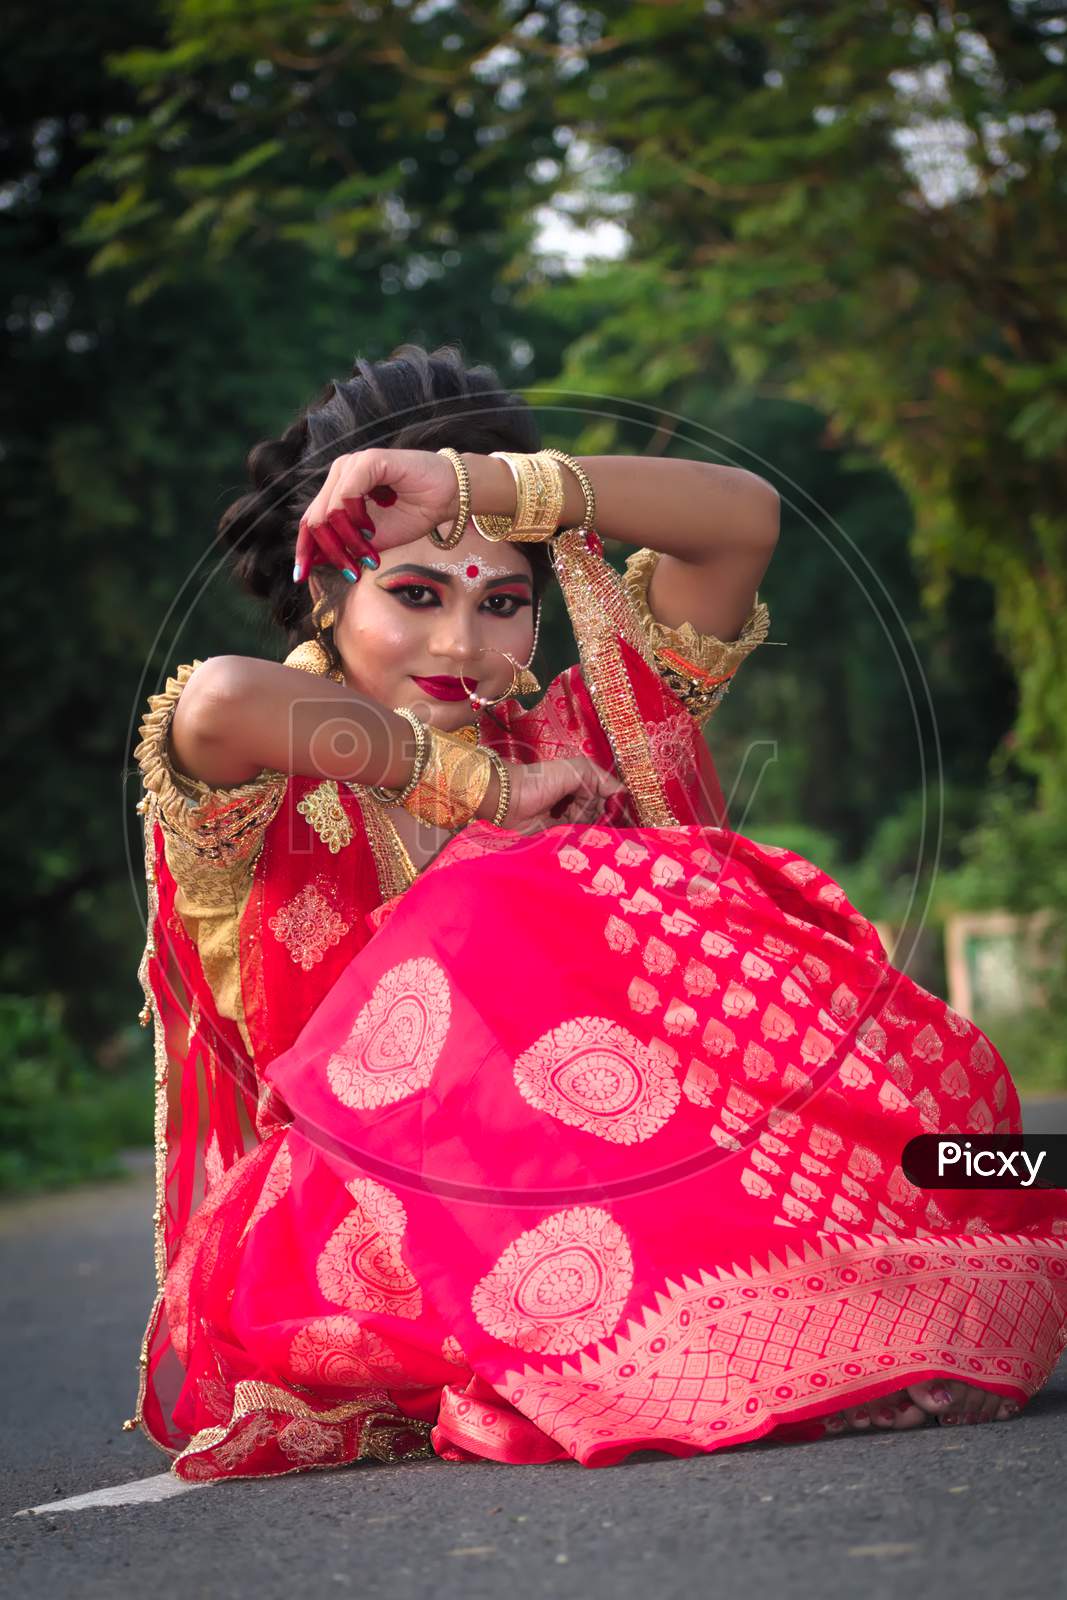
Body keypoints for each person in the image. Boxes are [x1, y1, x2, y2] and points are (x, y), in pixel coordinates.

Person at [127, 344, 1067, 1482]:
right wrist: (488, 793)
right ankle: (797, 1336)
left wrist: (484, 487)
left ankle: (832, 1310)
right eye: (414, 594)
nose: (460, 642)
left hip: (643, 1172)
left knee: (937, 1141)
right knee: (491, 891)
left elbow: (740, 519)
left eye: (503, 601)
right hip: (367, 1227)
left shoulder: (595, 726)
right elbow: (221, 701)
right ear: (325, 587)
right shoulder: (273, 777)